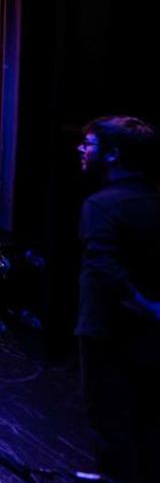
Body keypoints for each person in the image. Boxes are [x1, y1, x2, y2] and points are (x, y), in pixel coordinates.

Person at [75, 116, 159, 483]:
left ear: (113, 154)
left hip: (105, 329)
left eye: (90, 145)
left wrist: (143, 302)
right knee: (145, 420)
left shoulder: (102, 205)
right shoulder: (152, 199)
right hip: (147, 334)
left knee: (109, 421)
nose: (82, 150)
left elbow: (106, 267)